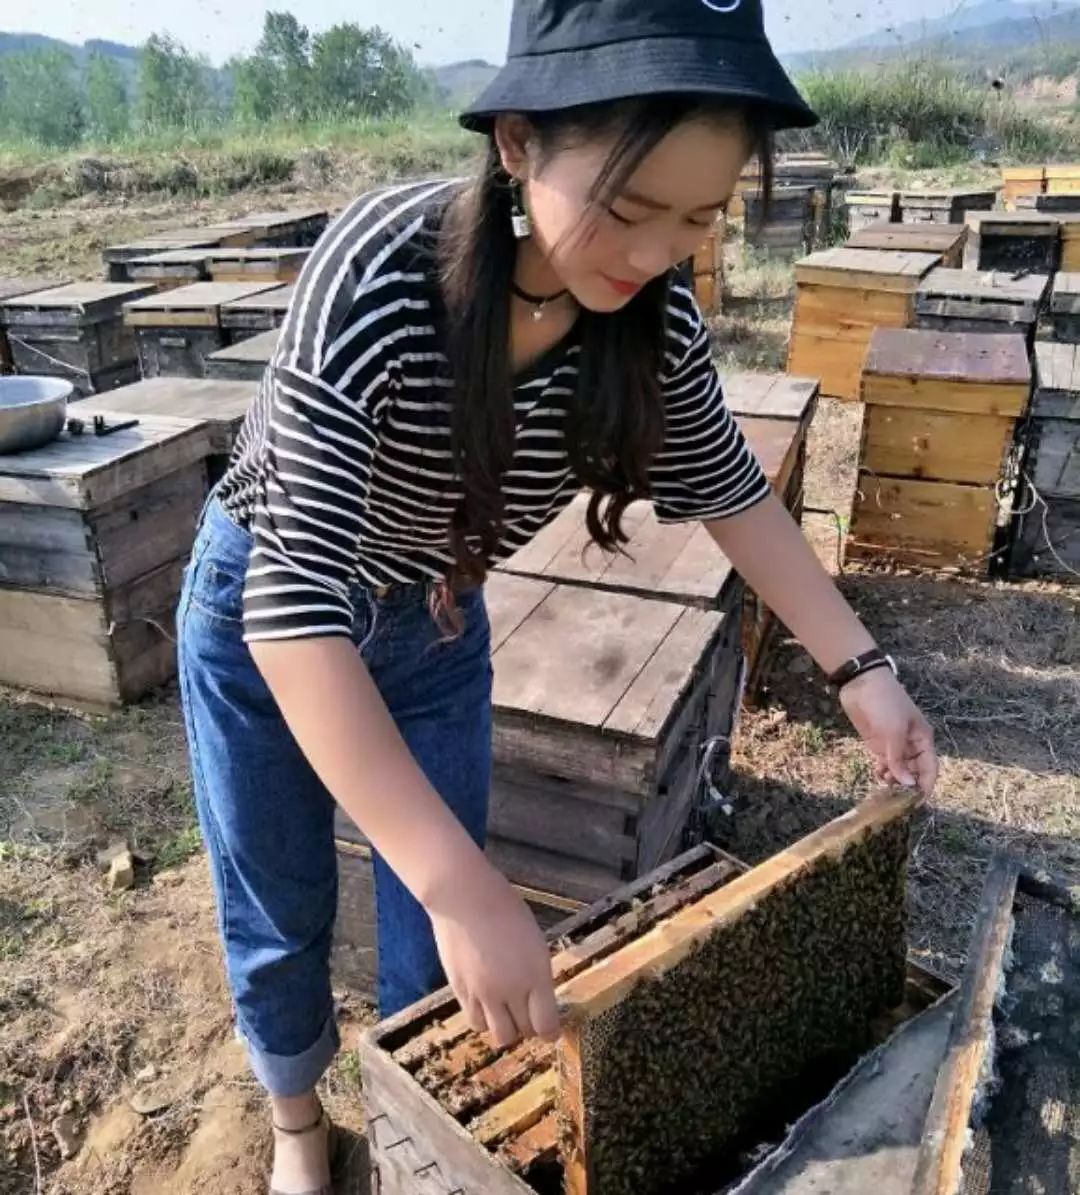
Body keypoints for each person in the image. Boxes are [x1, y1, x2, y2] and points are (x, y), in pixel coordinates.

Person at [176, 1, 939, 1191]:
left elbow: (733, 493)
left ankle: (419, 1130)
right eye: (631, 210)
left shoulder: (652, 323)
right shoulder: (382, 273)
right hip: (266, 616)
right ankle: (296, 1127)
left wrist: (862, 668)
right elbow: (291, 612)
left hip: (432, 622)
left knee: (444, 937)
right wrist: (458, 878)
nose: (653, 254)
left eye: (698, 219)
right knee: (283, 893)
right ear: (519, 141)